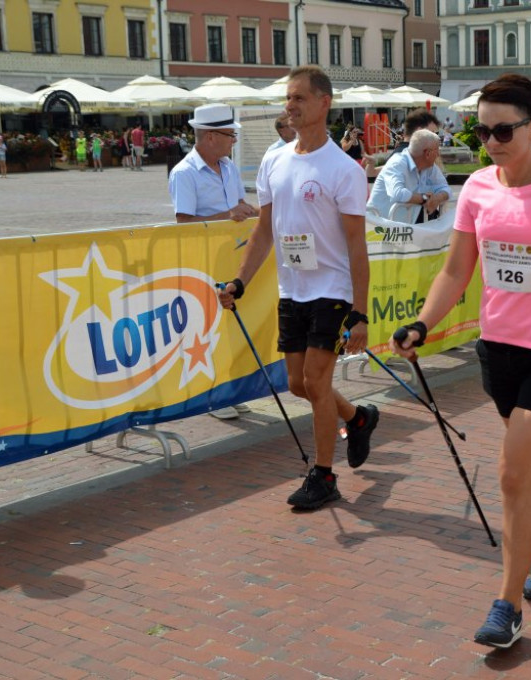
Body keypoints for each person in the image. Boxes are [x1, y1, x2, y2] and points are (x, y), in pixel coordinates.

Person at [391, 73, 531, 649]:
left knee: (512, 475)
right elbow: (456, 271)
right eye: (482, 130)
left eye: (504, 129)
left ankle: (506, 604)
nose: (491, 141)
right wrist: (421, 323)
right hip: (500, 352)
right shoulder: (479, 187)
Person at [216, 66, 380, 511]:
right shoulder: (274, 160)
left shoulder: (343, 169)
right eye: (287, 98)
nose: (289, 105)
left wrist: (360, 313)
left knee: (316, 380)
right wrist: (240, 282)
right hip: (293, 289)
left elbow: (355, 245)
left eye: (299, 98)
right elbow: (264, 231)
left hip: (331, 288)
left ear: (324, 103)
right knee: (297, 384)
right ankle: (358, 417)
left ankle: (324, 475)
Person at [169, 105, 262, 419]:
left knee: (230, 327)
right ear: (209, 137)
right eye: (229, 134)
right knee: (206, 329)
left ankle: (229, 390)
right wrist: (230, 215)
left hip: (231, 257)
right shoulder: (184, 172)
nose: (233, 140)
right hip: (202, 263)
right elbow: (184, 222)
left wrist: (251, 211)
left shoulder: (228, 168)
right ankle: (213, 397)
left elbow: (236, 206)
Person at [367, 129, 450, 223]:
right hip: (380, 228)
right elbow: (397, 193)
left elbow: (444, 187)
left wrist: (437, 198)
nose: (438, 154)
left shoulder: (429, 167)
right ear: (427, 153)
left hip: (404, 228)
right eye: (437, 150)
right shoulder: (397, 163)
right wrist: (425, 199)